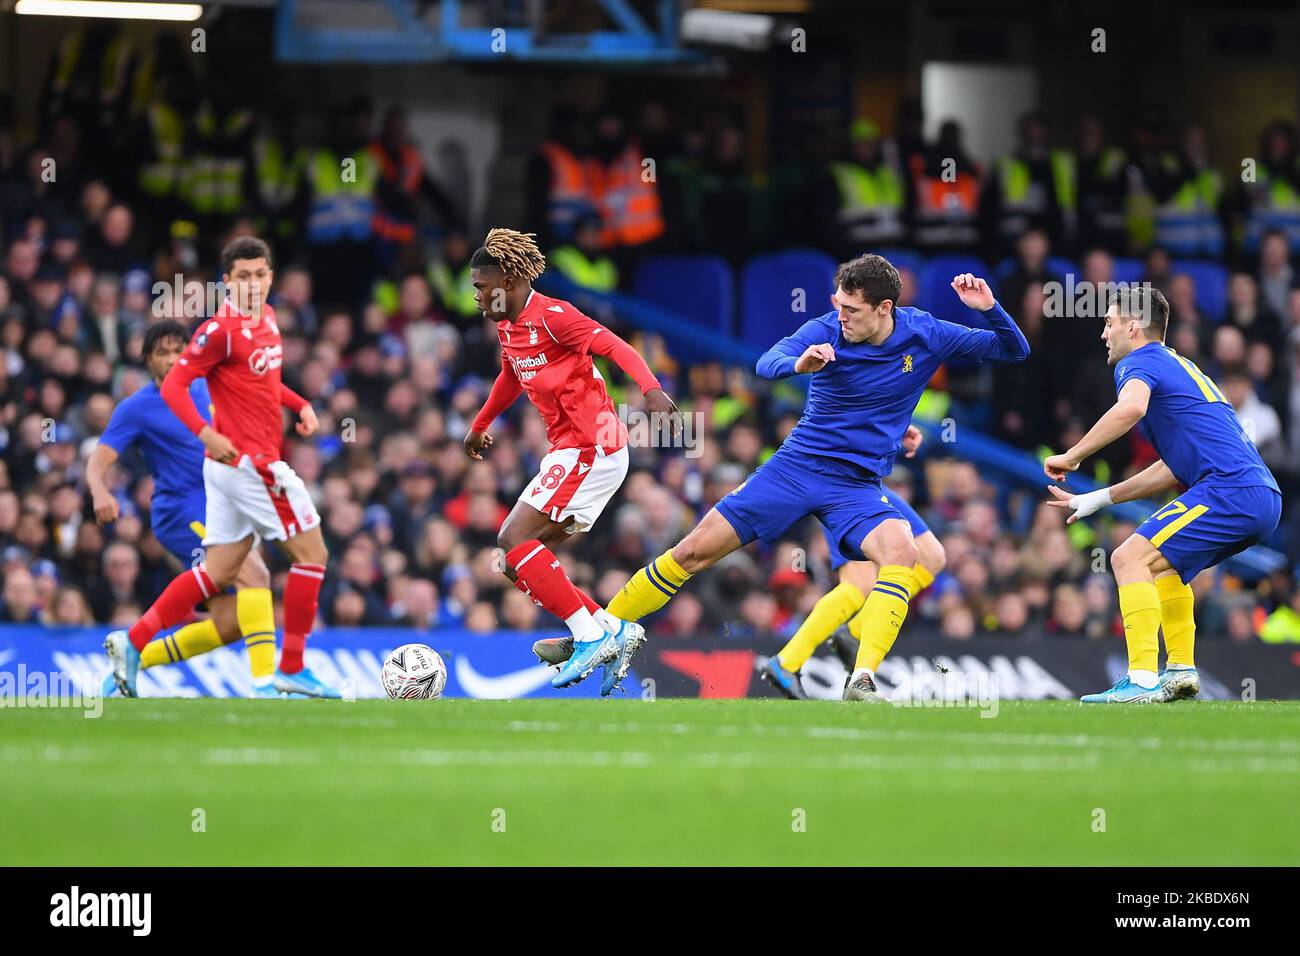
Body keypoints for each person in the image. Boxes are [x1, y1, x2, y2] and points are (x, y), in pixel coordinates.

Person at [591, 254, 1028, 701]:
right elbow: (767, 362)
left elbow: (1015, 350)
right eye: (838, 304)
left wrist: (989, 308)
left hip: (856, 487)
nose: (842, 316)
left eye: (852, 309)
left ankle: (861, 680)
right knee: (693, 551)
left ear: (884, 309)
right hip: (796, 469)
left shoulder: (927, 332)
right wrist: (799, 364)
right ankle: (600, 631)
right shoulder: (827, 329)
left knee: (905, 551)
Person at [104, 236, 336, 699]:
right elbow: (175, 386)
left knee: (216, 574)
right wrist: (204, 432)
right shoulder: (219, 330)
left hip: (228, 472)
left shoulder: (268, 320)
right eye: (243, 276)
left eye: (260, 274)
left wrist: (300, 402)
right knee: (313, 556)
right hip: (250, 465)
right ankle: (290, 667)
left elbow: (263, 385)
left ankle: (132, 643)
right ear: (227, 282)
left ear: (271, 277)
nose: (253, 284)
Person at [463, 228, 680, 696]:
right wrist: (481, 423)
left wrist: (651, 390)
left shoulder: (556, 317)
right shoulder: (507, 325)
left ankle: (589, 635)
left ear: (509, 278)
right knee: (514, 561)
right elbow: (510, 375)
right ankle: (610, 629)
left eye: (482, 286)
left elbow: (616, 346)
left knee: (511, 538)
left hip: (593, 447)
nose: (476, 296)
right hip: (570, 450)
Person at [1044, 287, 1281, 703]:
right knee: (1162, 566)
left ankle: (1140, 678)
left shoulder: (1139, 361)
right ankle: (1180, 671)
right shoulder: (1182, 368)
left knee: (1126, 557)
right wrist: (1098, 498)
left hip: (1229, 490)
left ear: (1132, 327)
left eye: (1109, 323)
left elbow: (1131, 408)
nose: (1104, 334)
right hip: (1256, 496)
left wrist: (1074, 454)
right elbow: (1171, 468)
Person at [85, 320, 283, 698]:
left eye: (180, 350)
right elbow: (99, 460)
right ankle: (265, 686)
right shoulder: (137, 408)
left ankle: (133, 657)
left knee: (230, 623)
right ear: (146, 361)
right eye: (163, 353)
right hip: (181, 510)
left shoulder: (207, 387)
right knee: (255, 574)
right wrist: (99, 491)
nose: (173, 359)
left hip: (222, 504)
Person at [755, 424, 947, 698]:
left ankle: (832, 641)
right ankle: (792, 659)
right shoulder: (837, 387)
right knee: (862, 583)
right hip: (845, 485)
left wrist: (896, 427)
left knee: (930, 557)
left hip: (861, 480)